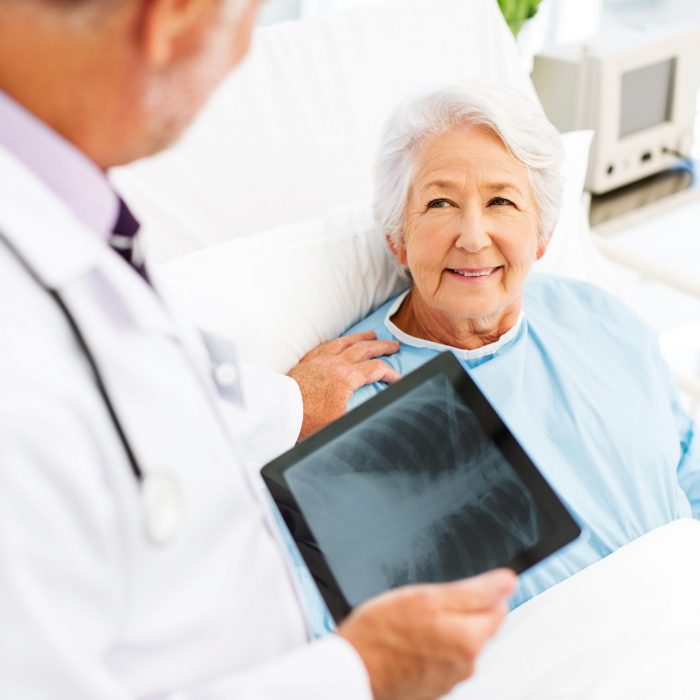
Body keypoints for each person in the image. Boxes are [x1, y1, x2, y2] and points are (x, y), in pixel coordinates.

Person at [0, 2, 517, 699]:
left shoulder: (66, 207)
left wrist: (289, 403)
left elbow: (146, 396)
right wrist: (362, 672)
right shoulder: (21, 364)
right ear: (175, 18)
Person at [341, 82, 700, 609]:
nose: (473, 235)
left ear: (543, 235)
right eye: (440, 202)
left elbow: (688, 464)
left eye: (501, 201)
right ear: (397, 236)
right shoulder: (360, 399)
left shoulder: (600, 319)